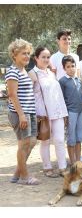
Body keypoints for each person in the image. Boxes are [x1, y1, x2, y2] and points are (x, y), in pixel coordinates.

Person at [28, 47, 68, 177]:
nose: (46, 59)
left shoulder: (51, 73)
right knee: (45, 140)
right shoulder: (32, 73)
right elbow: (28, 95)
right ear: (36, 58)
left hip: (58, 112)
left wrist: (64, 112)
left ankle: (63, 167)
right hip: (43, 114)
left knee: (60, 140)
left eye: (48, 57)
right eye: (43, 57)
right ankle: (47, 167)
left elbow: (58, 94)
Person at [5, 38, 39, 185]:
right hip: (20, 114)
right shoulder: (12, 71)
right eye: (23, 53)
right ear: (14, 54)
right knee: (24, 144)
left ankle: (17, 174)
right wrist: (21, 115)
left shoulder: (23, 70)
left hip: (29, 112)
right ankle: (24, 177)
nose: (27, 56)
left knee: (31, 142)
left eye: (28, 53)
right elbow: (12, 95)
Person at [59, 55, 82, 165]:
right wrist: (65, 115)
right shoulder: (62, 81)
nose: (71, 68)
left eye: (73, 66)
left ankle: (78, 160)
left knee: (79, 137)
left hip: (80, 112)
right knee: (71, 138)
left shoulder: (78, 79)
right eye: (68, 67)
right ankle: (73, 161)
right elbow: (61, 100)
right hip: (70, 112)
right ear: (64, 68)